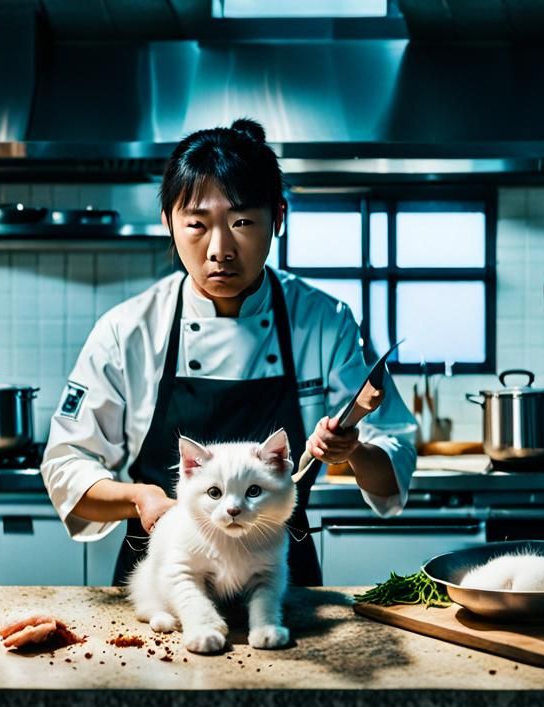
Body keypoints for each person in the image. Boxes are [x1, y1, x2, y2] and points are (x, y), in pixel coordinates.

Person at [41, 118, 418, 587]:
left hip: (281, 586)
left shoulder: (325, 322)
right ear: (169, 224)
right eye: (197, 224)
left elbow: (391, 472)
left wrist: (354, 449)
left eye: (241, 222)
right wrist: (141, 498)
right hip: (169, 583)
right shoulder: (128, 330)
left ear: (277, 218)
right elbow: (66, 466)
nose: (219, 249)